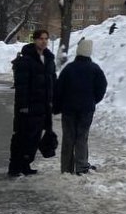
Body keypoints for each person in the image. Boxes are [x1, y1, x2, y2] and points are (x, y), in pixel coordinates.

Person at [53, 37, 107, 175]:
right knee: (82, 137)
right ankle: (82, 166)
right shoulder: (95, 69)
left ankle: (66, 168)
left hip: (69, 109)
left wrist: (58, 105)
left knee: (68, 137)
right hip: (86, 110)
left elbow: (59, 88)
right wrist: (93, 100)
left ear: (78, 51)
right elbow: (101, 87)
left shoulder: (69, 68)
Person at [7, 29, 55, 177]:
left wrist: (53, 100)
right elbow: (22, 86)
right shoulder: (26, 60)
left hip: (43, 106)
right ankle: (15, 167)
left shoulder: (48, 59)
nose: (44, 41)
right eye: (41, 39)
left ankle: (26, 164)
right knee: (22, 136)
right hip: (28, 106)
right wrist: (23, 106)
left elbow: (53, 81)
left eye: (46, 39)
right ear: (34, 40)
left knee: (35, 137)